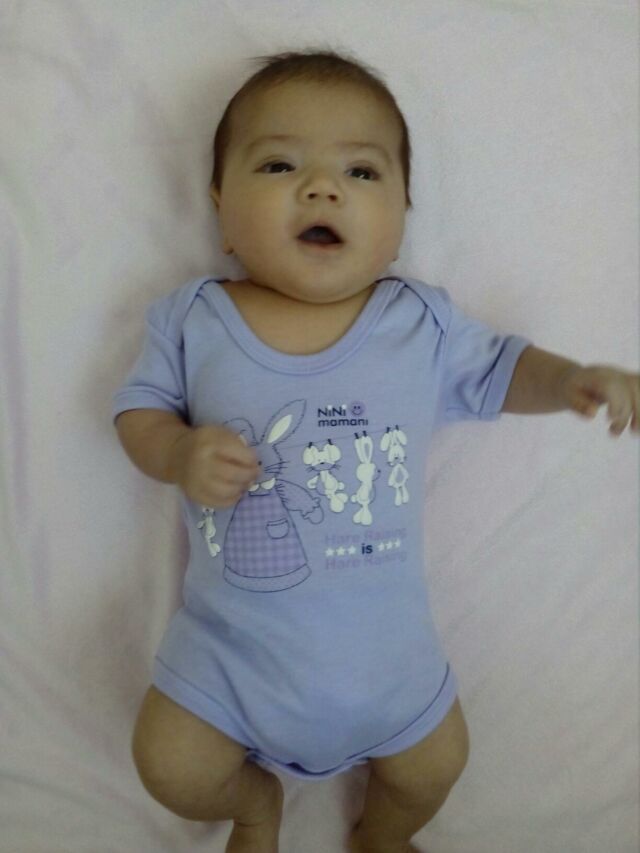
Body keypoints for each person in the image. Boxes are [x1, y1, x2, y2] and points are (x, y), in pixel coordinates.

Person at [112, 49, 639, 853]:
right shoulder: (194, 319)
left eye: (360, 172)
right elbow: (138, 413)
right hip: (226, 662)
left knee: (436, 764)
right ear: (221, 207)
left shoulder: (416, 324)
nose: (322, 187)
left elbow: (503, 369)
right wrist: (179, 452)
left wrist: (570, 378)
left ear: (400, 219)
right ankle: (254, 807)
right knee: (168, 765)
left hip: (393, 672)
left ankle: (379, 836)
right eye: (280, 164)